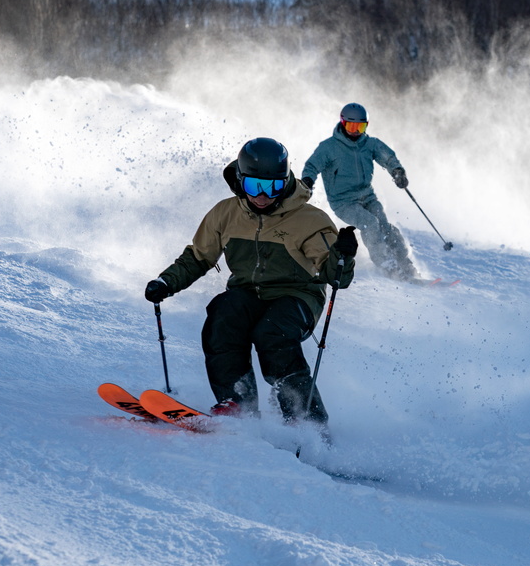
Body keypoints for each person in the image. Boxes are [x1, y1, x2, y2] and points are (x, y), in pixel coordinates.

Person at [145, 137, 357, 427]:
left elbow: (335, 278)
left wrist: (342, 257)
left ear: (286, 182)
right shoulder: (226, 213)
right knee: (223, 314)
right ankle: (237, 401)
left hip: (298, 295)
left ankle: (306, 419)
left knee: (273, 333)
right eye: (254, 186)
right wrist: (166, 282)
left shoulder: (310, 220)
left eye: (273, 187)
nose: (262, 196)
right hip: (247, 292)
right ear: (240, 180)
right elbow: (198, 257)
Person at [300, 102, 418, 281]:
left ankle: (404, 263)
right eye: (350, 125)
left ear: (366, 126)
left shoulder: (370, 144)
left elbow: (388, 157)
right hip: (343, 202)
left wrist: (397, 171)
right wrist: (308, 181)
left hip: (367, 196)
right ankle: (386, 264)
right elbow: (312, 165)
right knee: (370, 223)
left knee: (384, 225)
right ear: (342, 123)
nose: (355, 131)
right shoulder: (329, 147)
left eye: (360, 126)